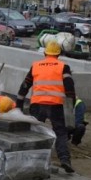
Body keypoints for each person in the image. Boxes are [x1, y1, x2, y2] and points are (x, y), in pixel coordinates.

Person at [16, 41, 76, 173]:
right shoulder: (63, 67)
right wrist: (70, 108)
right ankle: (65, 160)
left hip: (37, 104)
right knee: (60, 133)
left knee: (35, 132)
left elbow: (25, 86)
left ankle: (31, 158)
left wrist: (18, 105)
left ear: (45, 53)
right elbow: (70, 88)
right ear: (59, 54)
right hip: (56, 105)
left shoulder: (36, 66)